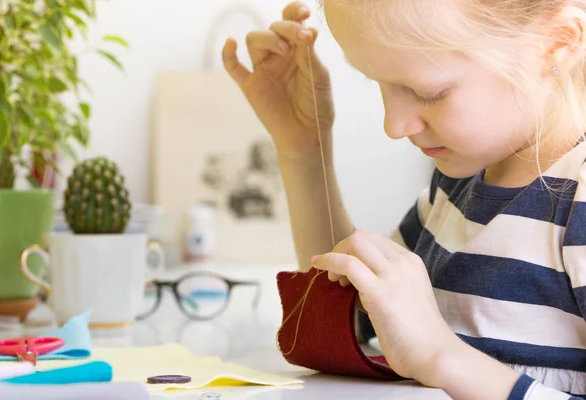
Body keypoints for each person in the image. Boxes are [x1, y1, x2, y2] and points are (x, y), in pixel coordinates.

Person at [221, 1, 586, 399]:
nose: (393, 125)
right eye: (375, 81)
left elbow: (426, 350)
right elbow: (355, 317)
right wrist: (303, 149)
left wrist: (442, 357)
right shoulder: (455, 185)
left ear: (556, 42)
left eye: (427, 92)